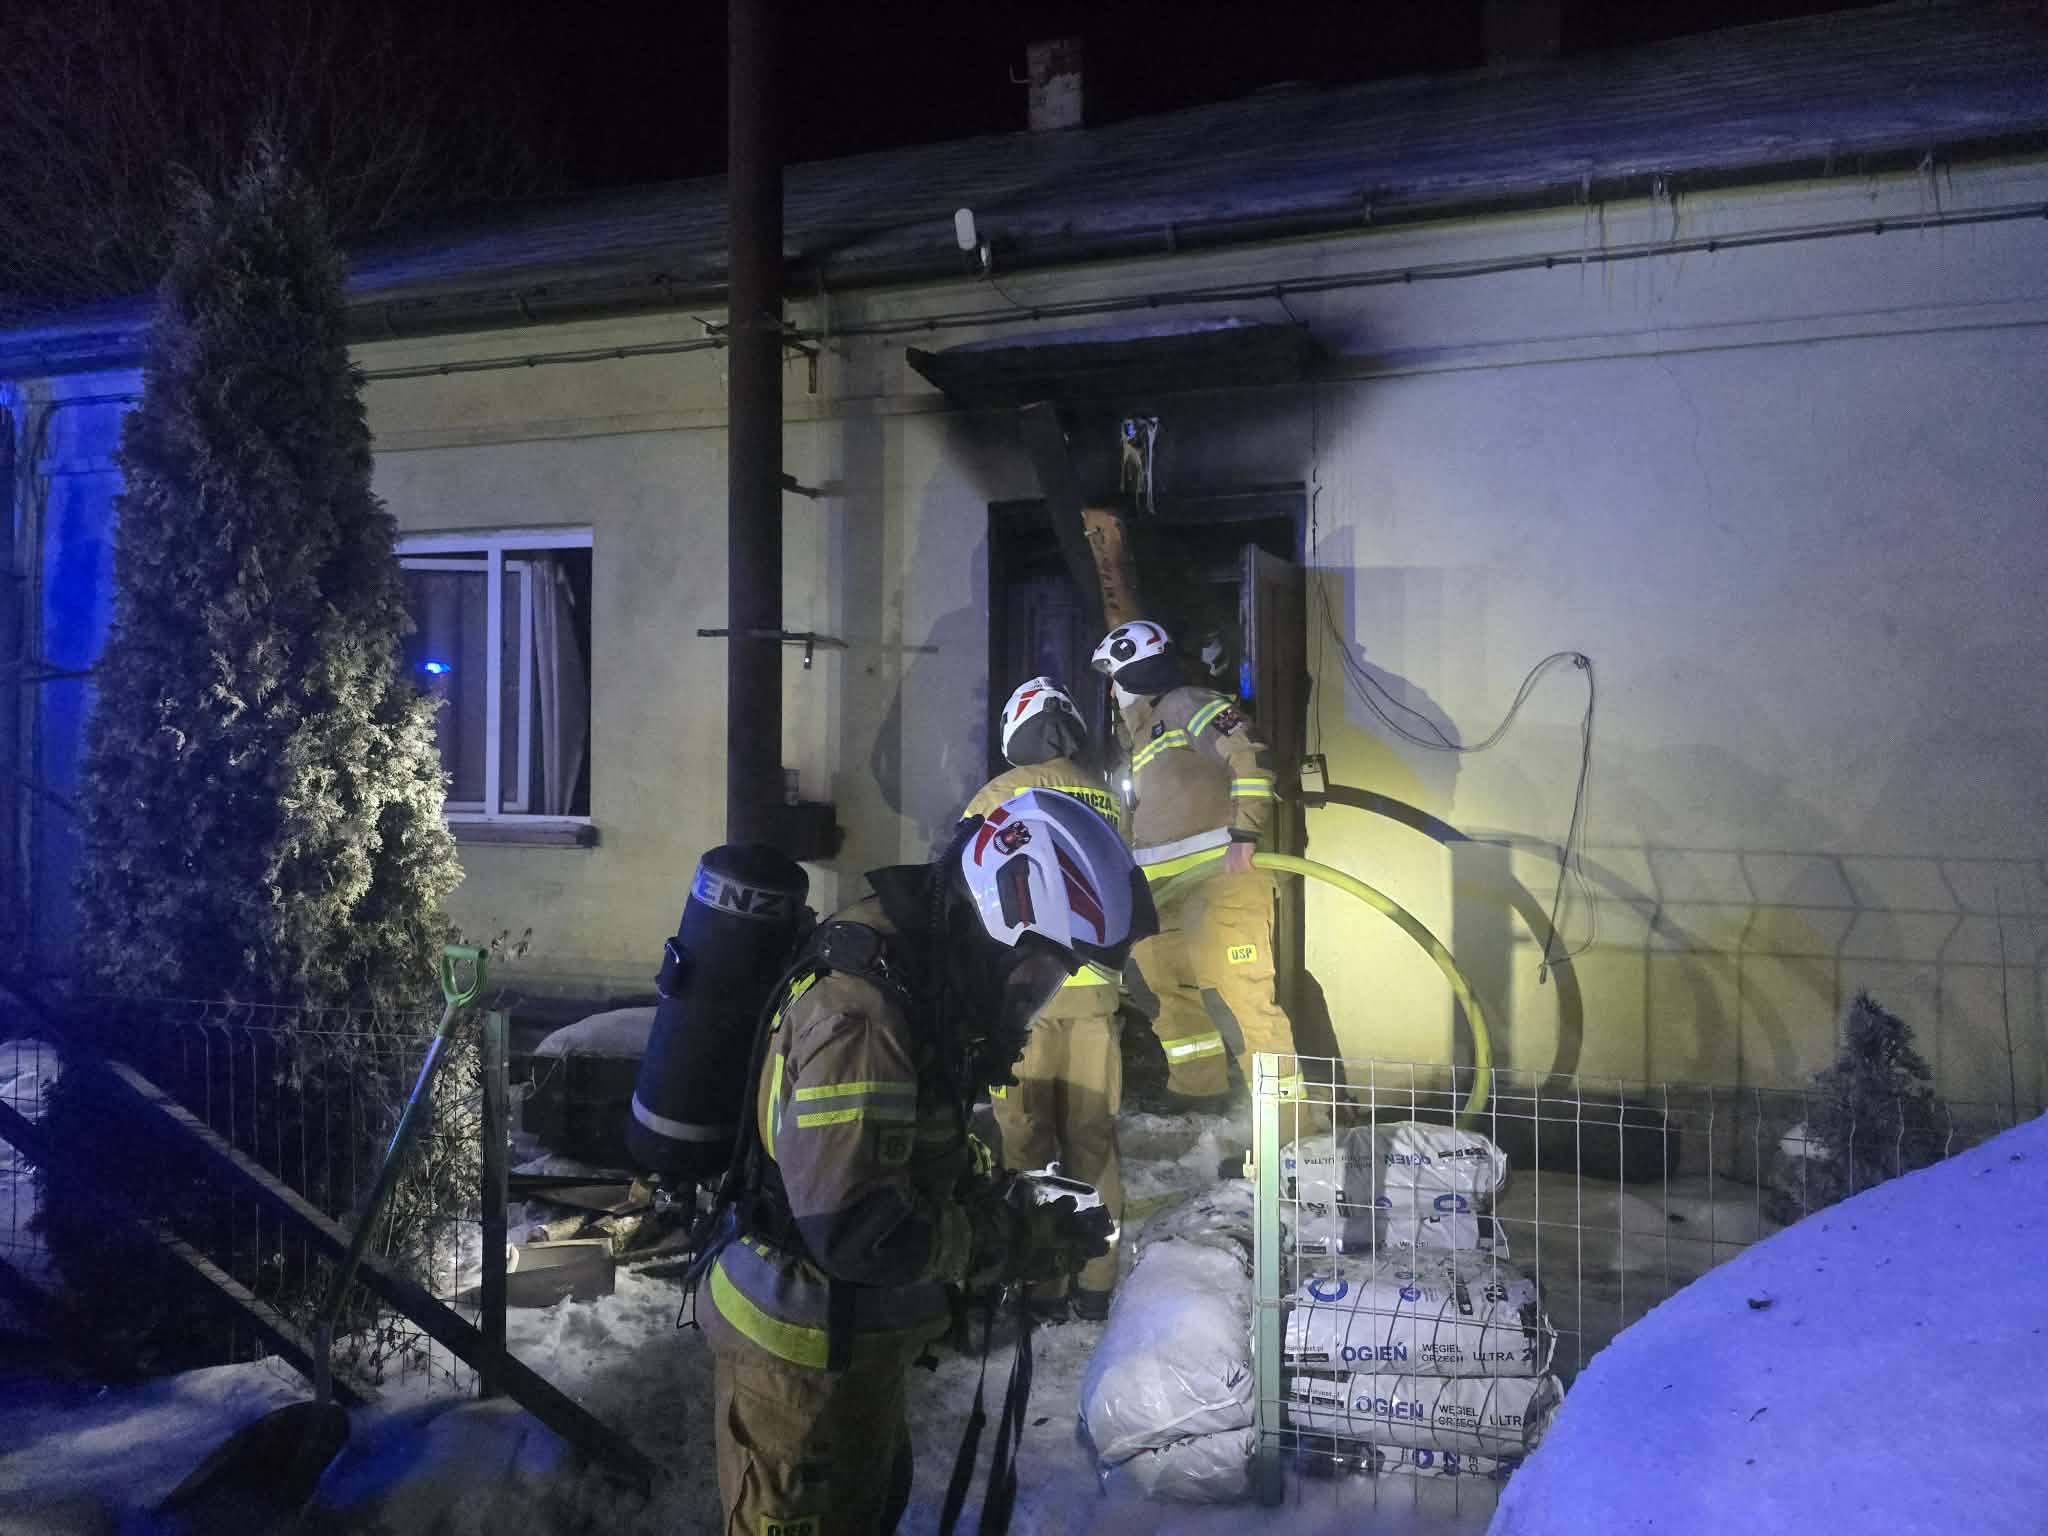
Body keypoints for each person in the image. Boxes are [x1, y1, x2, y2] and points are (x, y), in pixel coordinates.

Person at [696, 788, 1155, 1535]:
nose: (1037, 998)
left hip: (847, 1343)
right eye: (1041, 973)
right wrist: (1009, 1241)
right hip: (800, 1364)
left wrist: (1004, 1196)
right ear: (1001, 918)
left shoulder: (922, 967)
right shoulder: (864, 1017)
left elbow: (917, 1144)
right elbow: (858, 1229)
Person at [961, 676, 1125, 1323]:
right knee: (1093, 1140)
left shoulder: (1000, 794)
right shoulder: (1105, 794)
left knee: (1027, 1142)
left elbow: (964, 889)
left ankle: (1040, 1289)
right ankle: (1096, 1283)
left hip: (1025, 996)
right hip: (1096, 993)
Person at [1091, 618, 1306, 1107]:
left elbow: (1248, 755)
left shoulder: (1188, 702)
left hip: (1219, 878)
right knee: (1167, 994)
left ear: (1131, 670)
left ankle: (1289, 1121)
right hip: (1161, 892)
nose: (1111, 691)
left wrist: (1246, 833)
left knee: (1241, 998)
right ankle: (1197, 1093)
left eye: (1113, 677)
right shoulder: (1138, 741)